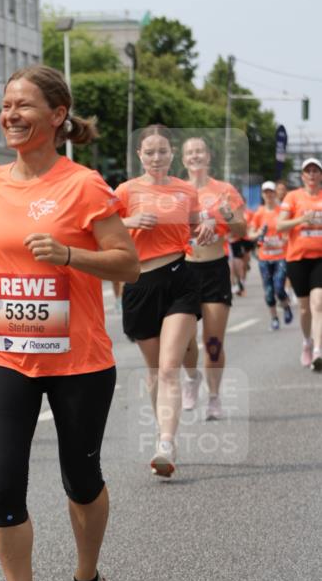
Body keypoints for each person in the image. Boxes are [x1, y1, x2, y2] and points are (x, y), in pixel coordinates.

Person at [0, 65, 139, 581]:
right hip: (7, 351)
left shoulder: (84, 185)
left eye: (24, 105)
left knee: (80, 477)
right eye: (5, 105)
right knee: (3, 482)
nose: (10, 115)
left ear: (57, 116)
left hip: (80, 358)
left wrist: (68, 254)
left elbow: (127, 262)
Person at [115, 125, 216, 477]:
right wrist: (129, 219)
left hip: (179, 279)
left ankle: (166, 446)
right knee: (155, 370)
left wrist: (206, 227)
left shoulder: (185, 190)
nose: (156, 157)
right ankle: (163, 431)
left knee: (169, 367)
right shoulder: (126, 190)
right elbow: (99, 228)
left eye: (162, 151)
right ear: (140, 155)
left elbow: (200, 222)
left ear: (172, 154)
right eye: (150, 151)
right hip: (140, 285)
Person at [180, 137, 247, 420]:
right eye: (190, 152)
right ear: (183, 159)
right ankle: (192, 377)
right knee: (183, 340)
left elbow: (241, 230)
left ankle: (215, 397)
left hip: (214, 269)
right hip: (183, 271)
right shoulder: (175, 191)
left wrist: (225, 214)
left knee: (213, 342)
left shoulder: (224, 190)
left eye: (200, 151)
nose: (196, 156)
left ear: (209, 156)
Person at [278, 157, 322, 370]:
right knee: (304, 309)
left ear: (320, 175)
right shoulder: (293, 197)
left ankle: (318, 352)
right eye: (308, 171)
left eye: (315, 171)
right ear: (303, 176)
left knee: (319, 303)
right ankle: (307, 342)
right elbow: (280, 225)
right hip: (297, 258)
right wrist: (302, 220)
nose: (312, 175)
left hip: (320, 259)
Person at [248, 181, 293, 330]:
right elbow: (250, 233)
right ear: (262, 194)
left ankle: (286, 306)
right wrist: (259, 234)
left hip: (280, 256)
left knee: (279, 287)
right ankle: (274, 318)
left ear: (275, 194)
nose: (269, 195)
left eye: (271, 192)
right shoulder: (259, 213)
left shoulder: (282, 212)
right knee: (268, 292)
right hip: (264, 258)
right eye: (266, 192)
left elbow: (288, 233)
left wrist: (283, 241)